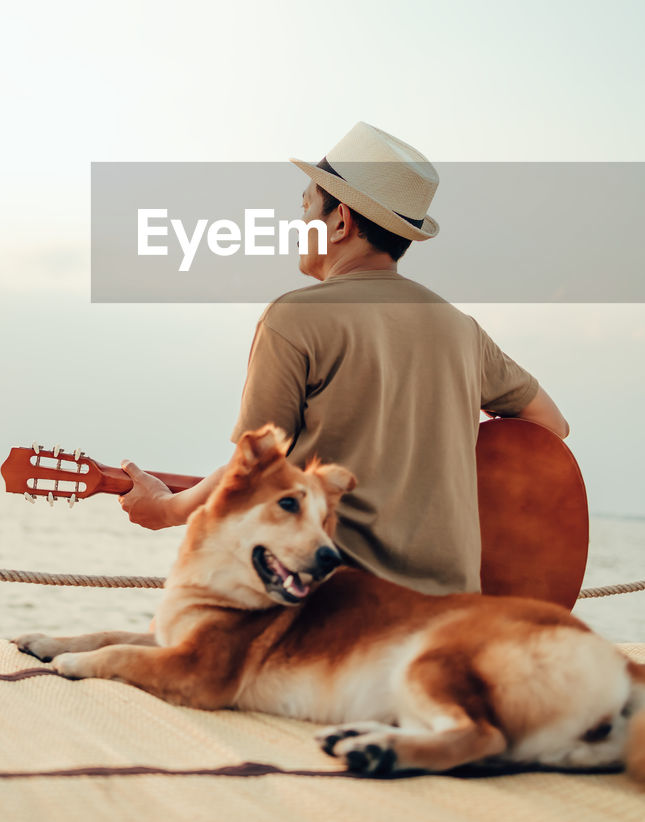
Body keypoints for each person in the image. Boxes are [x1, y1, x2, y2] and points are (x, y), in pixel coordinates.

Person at [118, 122, 568, 595]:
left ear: (341, 221)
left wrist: (166, 510)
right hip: (452, 611)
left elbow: (252, 469)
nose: (300, 223)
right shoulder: (462, 330)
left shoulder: (294, 317)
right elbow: (550, 425)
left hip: (337, 609)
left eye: (307, 206)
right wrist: (437, 452)